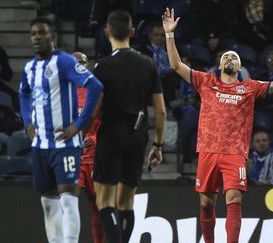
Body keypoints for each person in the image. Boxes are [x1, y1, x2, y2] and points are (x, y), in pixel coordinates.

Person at [162, 8, 273, 243]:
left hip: (235, 154)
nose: (229, 59)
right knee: (206, 203)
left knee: (234, 198)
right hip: (208, 150)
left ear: (239, 68)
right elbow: (176, 65)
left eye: (234, 58)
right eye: (225, 56)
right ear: (219, 64)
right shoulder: (206, 82)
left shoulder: (249, 87)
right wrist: (169, 35)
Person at [19, 17, 103, 243]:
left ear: (52, 36)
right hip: (41, 145)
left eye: (42, 33)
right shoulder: (29, 67)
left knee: (68, 199)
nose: (37, 37)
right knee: (48, 203)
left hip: (65, 145)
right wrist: (27, 122)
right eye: (33, 33)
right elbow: (23, 93)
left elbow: (95, 86)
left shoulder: (64, 62)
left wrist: (78, 125)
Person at [92, 10, 166, 243]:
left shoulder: (102, 66)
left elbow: (95, 109)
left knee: (104, 201)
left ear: (107, 32)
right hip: (138, 134)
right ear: (132, 32)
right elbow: (161, 110)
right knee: (126, 202)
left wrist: (83, 132)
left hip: (111, 133)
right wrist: (158, 144)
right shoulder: (147, 64)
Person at [73, 51, 105, 243]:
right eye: (77, 62)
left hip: (93, 157)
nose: (81, 66)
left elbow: (105, 123)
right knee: (68, 203)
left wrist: (94, 138)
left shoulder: (97, 91)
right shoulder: (63, 92)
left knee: (96, 204)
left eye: (84, 62)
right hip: (71, 157)